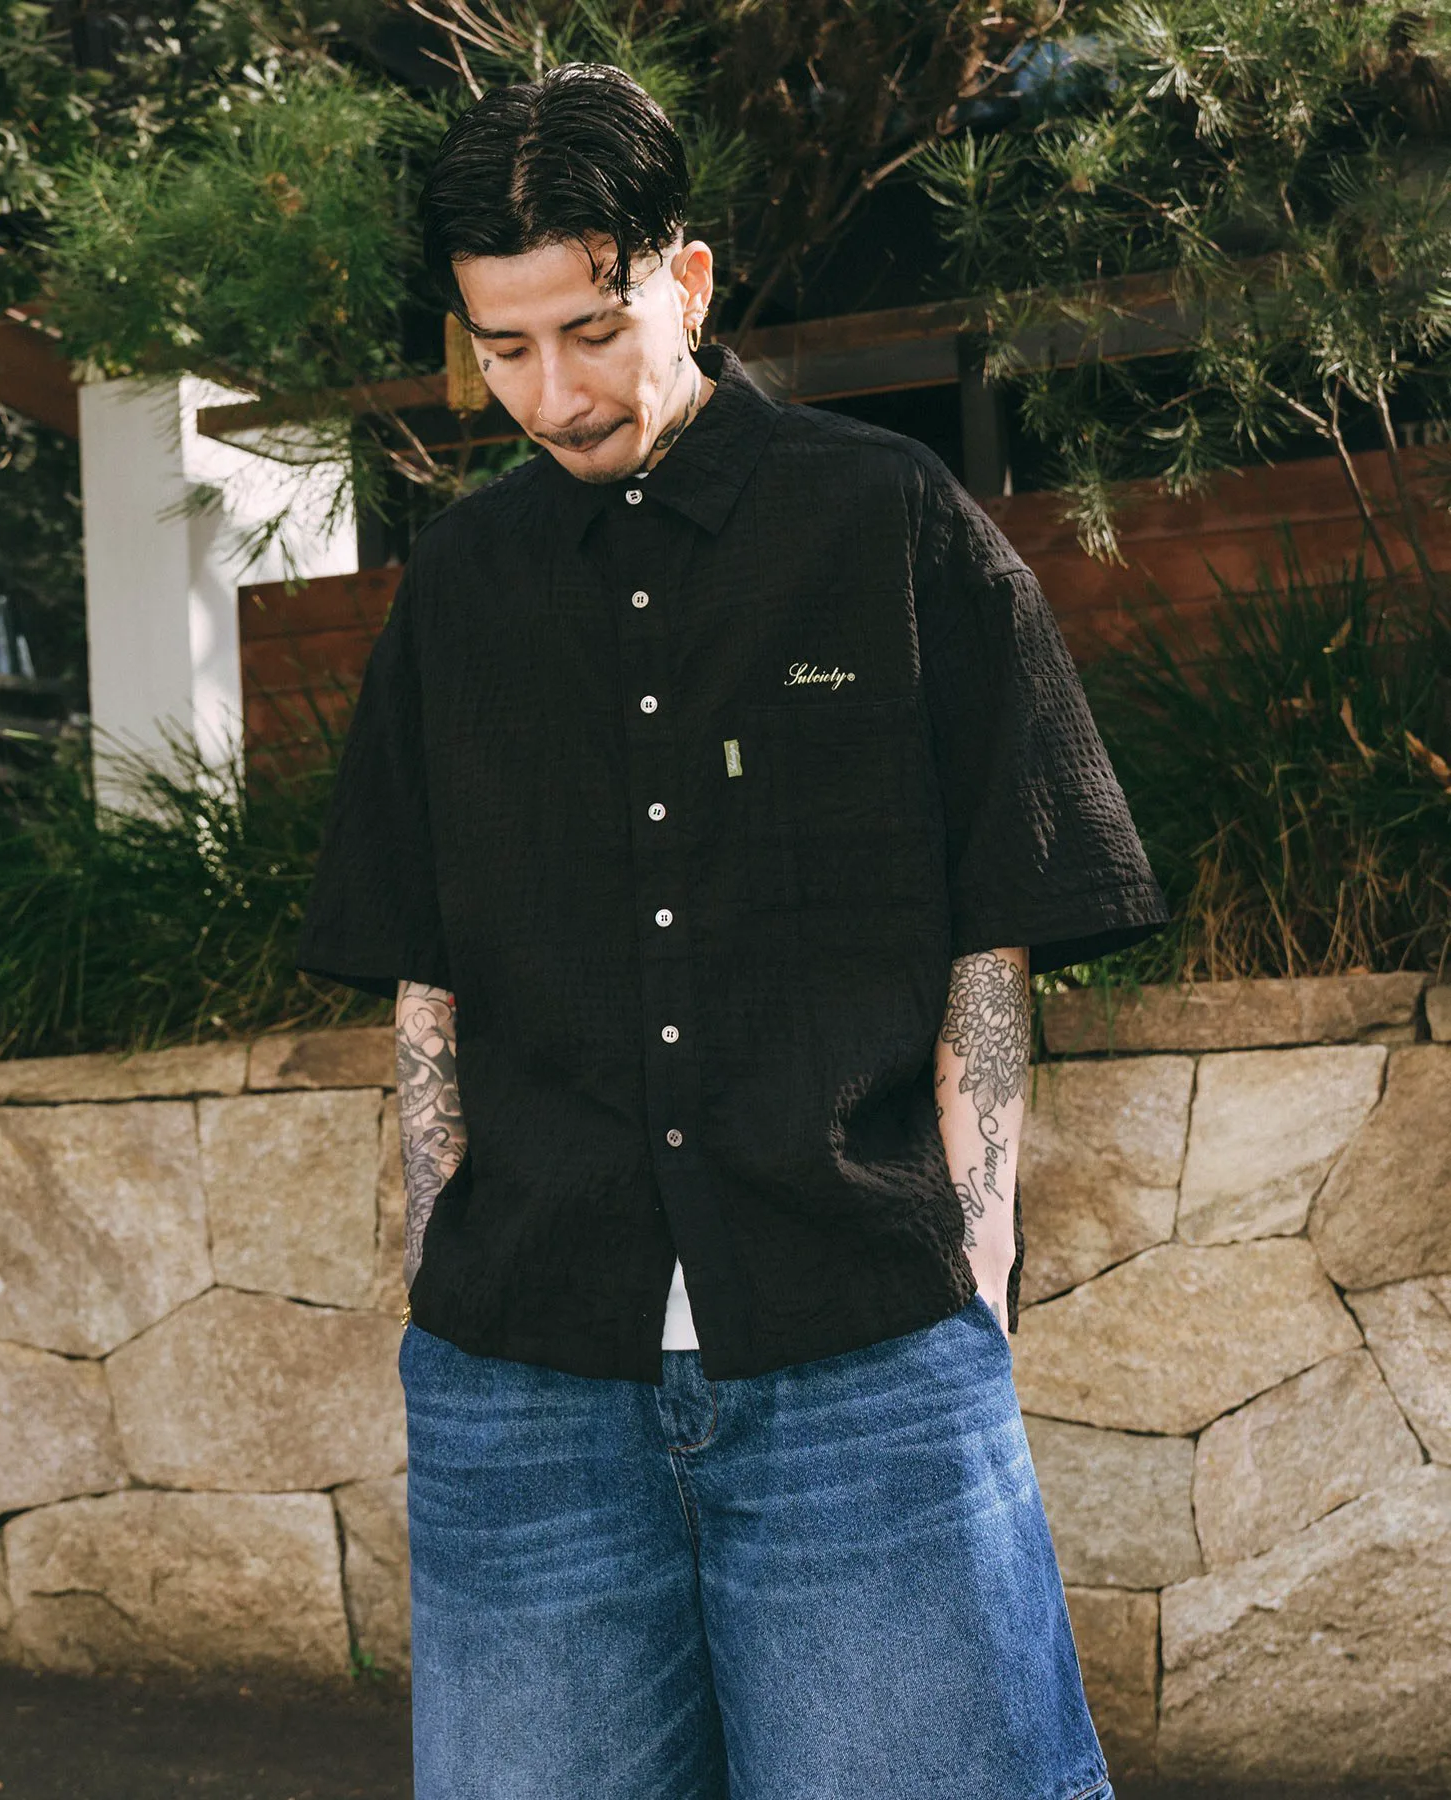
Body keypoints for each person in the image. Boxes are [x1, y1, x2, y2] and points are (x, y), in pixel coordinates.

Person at [297, 60, 1169, 1800]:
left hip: (861, 1354)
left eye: (592, 330)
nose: (554, 394)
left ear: (686, 280)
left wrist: (975, 1261)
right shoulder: (453, 593)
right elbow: (426, 986)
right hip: (524, 1382)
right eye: (504, 348)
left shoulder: (885, 520)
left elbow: (995, 936)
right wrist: (439, 1257)